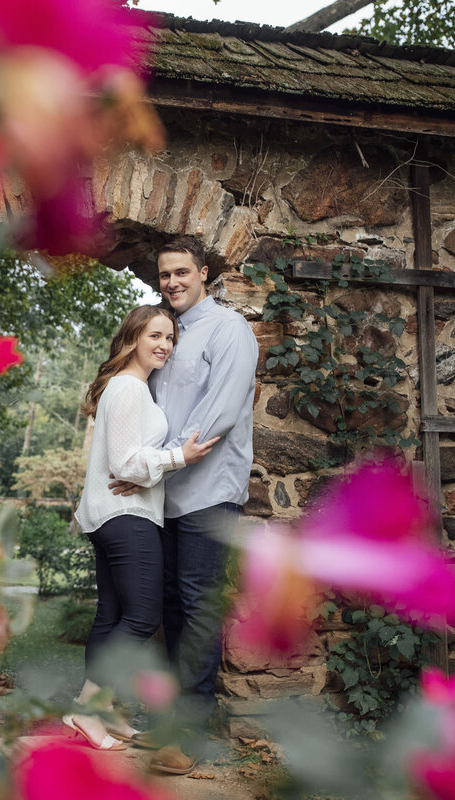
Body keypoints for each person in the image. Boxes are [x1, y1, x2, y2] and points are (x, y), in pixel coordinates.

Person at [110, 236, 258, 775]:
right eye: (165, 274)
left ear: (204, 272)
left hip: (209, 490)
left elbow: (218, 413)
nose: (171, 282)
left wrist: (165, 460)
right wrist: (145, 469)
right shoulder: (167, 335)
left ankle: (192, 735)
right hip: (165, 494)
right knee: (170, 605)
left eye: (181, 272)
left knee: (197, 607)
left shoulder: (230, 331)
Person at [63, 304, 218, 752]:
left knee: (111, 615)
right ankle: (87, 709)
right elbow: (124, 462)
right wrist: (179, 458)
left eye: (170, 338)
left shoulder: (131, 388)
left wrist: (161, 463)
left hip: (110, 514)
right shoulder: (129, 389)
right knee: (142, 616)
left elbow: (127, 460)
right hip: (126, 517)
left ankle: (104, 712)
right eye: (155, 335)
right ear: (132, 337)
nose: (164, 345)